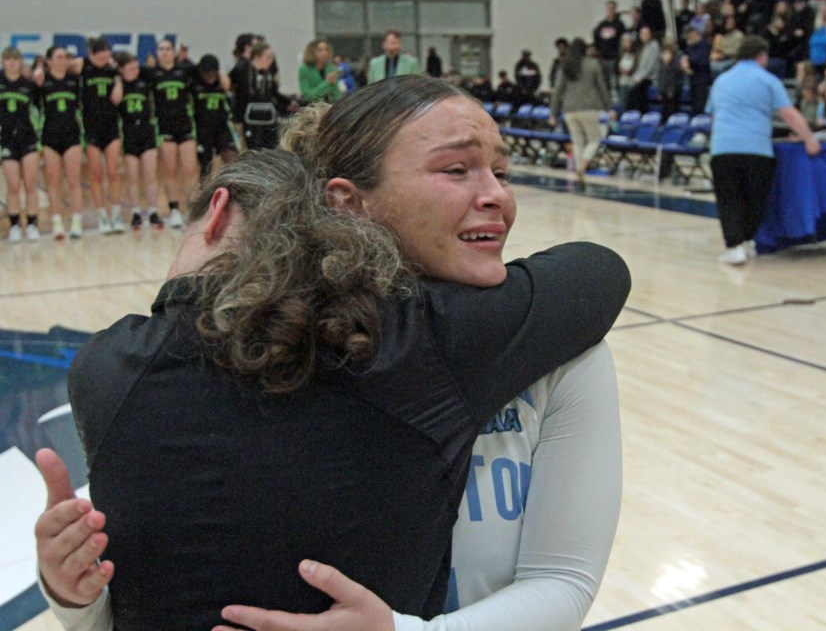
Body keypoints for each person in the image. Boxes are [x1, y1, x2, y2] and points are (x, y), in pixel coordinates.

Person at [35, 78, 630, 630]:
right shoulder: (283, 355)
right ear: (346, 202)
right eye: (457, 169)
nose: (496, 194)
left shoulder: (561, 347)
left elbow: (563, 580)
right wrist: (77, 595)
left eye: (502, 170)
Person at [706, 36, 821, 265]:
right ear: (761, 56)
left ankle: (735, 245)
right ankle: (747, 241)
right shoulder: (768, 80)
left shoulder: (722, 81)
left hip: (724, 148)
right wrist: (809, 138)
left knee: (729, 199)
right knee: (755, 199)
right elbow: (788, 113)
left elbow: (715, 115)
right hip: (756, 149)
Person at [71, 38, 125, 234]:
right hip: (91, 127)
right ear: (92, 53)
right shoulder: (82, 65)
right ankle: (102, 215)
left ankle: (116, 214)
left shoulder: (112, 70)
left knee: (113, 172)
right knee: (95, 174)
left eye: (107, 51)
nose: (105, 55)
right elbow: (62, 66)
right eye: (100, 52)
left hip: (111, 125)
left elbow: (122, 73)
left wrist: (118, 82)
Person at [550, 38, 616, 188]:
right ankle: (582, 167)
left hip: (569, 110)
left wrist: (553, 113)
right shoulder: (592, 64)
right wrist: (608, 107)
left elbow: (557, 91)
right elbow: (602, 88)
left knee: (578, 142)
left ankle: (580, 174)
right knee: (595, 139)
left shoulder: (565, 66)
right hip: (590, 108)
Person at [34, 46, 84, 240]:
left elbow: (82, 62)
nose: (63, 60)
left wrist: (67, 63)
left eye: (65, 57)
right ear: (49, 60)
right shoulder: (42, 81)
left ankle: (77, 222)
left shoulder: (74, 80)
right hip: (50, 136)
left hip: (72, 135)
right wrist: (39, 69)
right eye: (59, 57)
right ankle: (57, 224)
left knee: (74, 181)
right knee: (53, 182)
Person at [110, 52, 161, 231]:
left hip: (147, 131)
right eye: (130, 69)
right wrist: (117, 81)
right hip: (129, 133)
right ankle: (136, 213)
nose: (135, 71)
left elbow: (152, 69)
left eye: (136, 67)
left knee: (151, 175)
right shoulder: (119, 85)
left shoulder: (144, 81)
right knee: (132, 177)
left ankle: (154, 211)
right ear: (122, 70)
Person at [150, 39, 197, 228]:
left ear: (174, 52)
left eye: (168, 49)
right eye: (161, 49)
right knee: (169, 171)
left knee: (190, 169)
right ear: (157, 52)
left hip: (185, 126)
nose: (165, 52)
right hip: (164, 127)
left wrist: (187, 57)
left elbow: (202, 71)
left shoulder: (184, 71)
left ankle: (192, 208)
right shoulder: (153, 74)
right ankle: (175, 210)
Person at [1, 47, 41, 242]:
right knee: (13, 185)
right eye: (7, 59)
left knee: (31, 184)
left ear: (20, 62)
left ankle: (33, 224)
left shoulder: (29, 85)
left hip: (28, 138)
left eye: (15, 59)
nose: (11, 63)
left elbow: (41, 109)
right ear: (3, 62)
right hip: (6, 139)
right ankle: (15, 225)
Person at [235, 42, 295, 150]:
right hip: (249, 119)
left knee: (270, 146)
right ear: (257, 56)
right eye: (268, 57)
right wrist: (237, 120)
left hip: (267, 117)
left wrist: (289, 102)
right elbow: (238, 96)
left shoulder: (268, 74)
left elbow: (274, 93)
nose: (271, 60)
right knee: (252, 149)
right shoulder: (243, 70)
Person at [192, 54, 238, 176]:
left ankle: (235, 187)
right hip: (202, 127)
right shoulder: (195, 83)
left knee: (232, 159)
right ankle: (205, 192)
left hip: (222, 126)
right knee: (205, 165)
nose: (209, 77)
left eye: (212, 73)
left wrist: (225, 79)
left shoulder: (222, 82)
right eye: (206, 73)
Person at [593, 0, 626, 92]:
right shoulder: (602, 24)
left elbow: (622, 40)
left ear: (615, 9)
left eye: (612, 8)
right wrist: (598, 50)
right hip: (603, 56)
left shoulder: (619, 24)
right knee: (604, 80)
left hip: (614, 57)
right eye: (608, 8)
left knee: (614, 80)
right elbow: (596, 37)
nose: (610, 10)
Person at [626, 26, 660, 112]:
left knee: (636, 90)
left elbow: (650, 66)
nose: (644, 36)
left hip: (650, 77)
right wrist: (636, 76)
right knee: (629, 88)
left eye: (646, 34)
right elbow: (640, 66)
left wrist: (641, 77)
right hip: (641, 76)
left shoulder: (654, 46)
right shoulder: (643, 48)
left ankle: (639, 113)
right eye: (642, 34)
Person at [681, 25, 714, 114]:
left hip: (702, 80)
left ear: (697, 34)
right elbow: (685, 56)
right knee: (694, 106)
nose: (689, 37)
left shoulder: (704, 45)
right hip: (693, 79)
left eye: (691, 34)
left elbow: (702, 61)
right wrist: (684, 62)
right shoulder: (690, 46)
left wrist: (688, 62)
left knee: (700, 106)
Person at [299, 38, 342, 104]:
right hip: (312, 107)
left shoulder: (332, 67)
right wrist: (327, 83)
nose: (324, 52)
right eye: (320, 50)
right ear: (312, 52)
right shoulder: (304, 69)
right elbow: (308, 96)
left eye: (326, 49)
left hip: (331, 106)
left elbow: (336, 93)